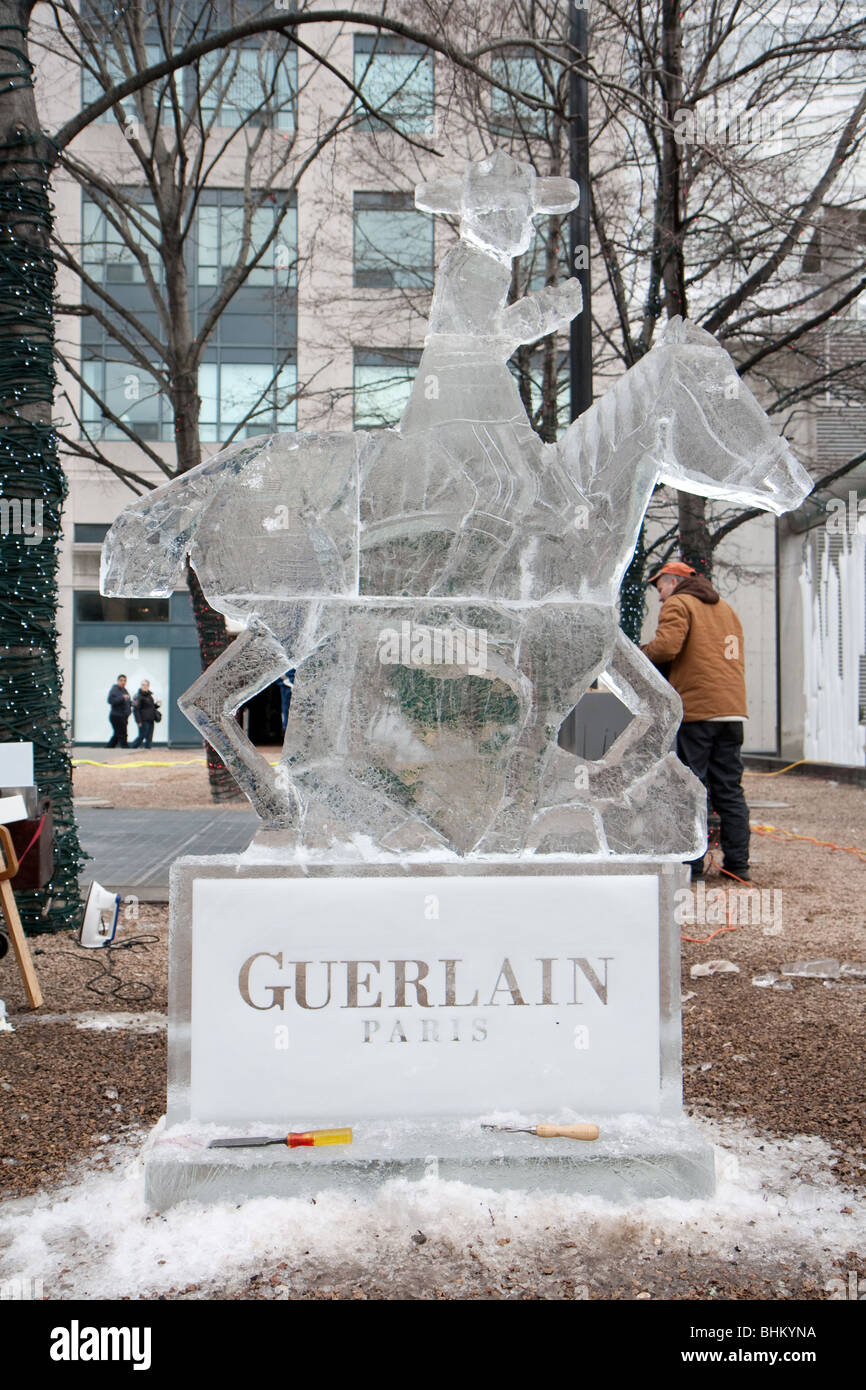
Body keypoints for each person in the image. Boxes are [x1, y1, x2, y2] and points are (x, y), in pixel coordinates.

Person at [641, 561, 751, 882]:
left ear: (673, 581)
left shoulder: (679, 603)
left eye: (659, 587)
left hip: (699, 711)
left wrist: (638, 654)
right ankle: (737, 865)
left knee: (694, 788)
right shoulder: (726, 608)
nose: (659, 596)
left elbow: (666, 647)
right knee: (729, 788)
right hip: (732, 711)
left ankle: (692, 865)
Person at [131, 679, 160, 749]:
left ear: (148, 686)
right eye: (143, 685)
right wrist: (138, 721)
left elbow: (151, 707)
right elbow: (136, 710)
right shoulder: (138, 696)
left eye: (146, 685)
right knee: (142, 735)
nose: (144, 686)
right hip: (143, 720)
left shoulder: (150, 696)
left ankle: (148, 750)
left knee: (149, 737)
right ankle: (132, 747)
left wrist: (157, 705)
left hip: (151, 719)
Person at [106, 675, 132, 748]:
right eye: (121, 680)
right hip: (116, 715)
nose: (123, 682)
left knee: (117, 734)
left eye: (124, 681)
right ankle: (125, 747)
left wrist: (132, 704)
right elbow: (110, 700)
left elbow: (127, 702)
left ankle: (109, 747)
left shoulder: (125, 690)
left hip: (123, 716)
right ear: (118, 681)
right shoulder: (114, 690)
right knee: (122, 733)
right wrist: (122, 697)